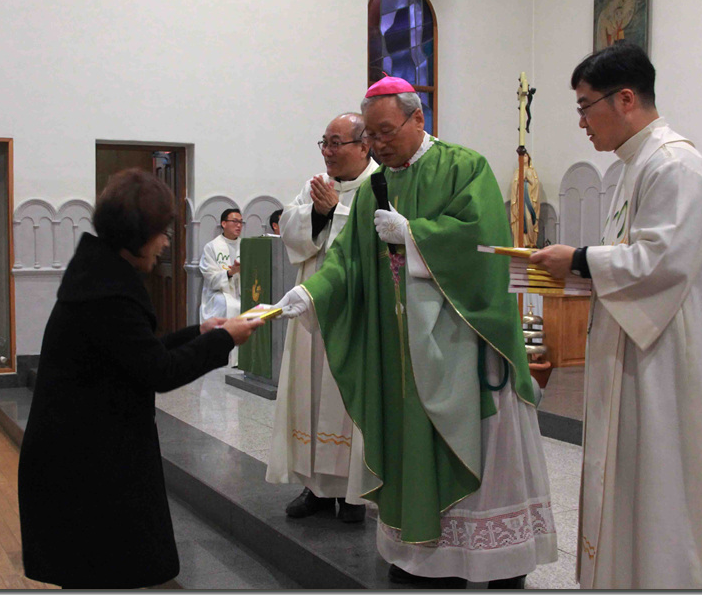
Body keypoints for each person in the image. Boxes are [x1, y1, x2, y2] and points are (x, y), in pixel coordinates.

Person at [275, 77, 556, 588]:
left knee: (484, 455)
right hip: (402, 348)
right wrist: (312, 293)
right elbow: (348, 261)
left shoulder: (463, 167)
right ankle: (428, 559)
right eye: (371, 135)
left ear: (418, 118)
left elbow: (483, 242)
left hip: (464, 344)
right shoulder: (375, 189)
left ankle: (500, 562)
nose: (378, 145)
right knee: (412, 446)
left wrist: (414, 236)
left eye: (385, 132)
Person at [529, 42, 702, 589]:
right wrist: (579, 267)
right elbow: (632, 258)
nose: (581, 122)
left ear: (625, 98)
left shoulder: (673, 164)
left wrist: (579, 260)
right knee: (633, 483)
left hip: (666, 365)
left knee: (663, 489)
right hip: (635, 352)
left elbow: (660, 262)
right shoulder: (636, 164)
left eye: (585, 106)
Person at [18, 170, 263, 589]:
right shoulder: (109, 292)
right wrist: (225, 338)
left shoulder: (100, 274)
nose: (165, 243)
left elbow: (136, 353)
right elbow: (158, 371)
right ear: (135, 236)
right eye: (160, 233)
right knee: (99, 574)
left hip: (83, 452)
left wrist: (200, 333)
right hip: (85, 466)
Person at [266, 112, 377, 524]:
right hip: (312, 303)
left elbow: (376, 240)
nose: (327, 152)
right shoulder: (317, 184)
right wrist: (317, 213)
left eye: (336, 143)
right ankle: (314, 488)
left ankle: (352, 495)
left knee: (345, 399)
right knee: (309, 392)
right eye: (324, 143)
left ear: (364, 146)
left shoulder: (380, 184)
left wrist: (335, 213)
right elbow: (290, 227)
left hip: (355, 309)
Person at [200, 208, 244, 364]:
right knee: (229, 304)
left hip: (241, 291)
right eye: (235, 221)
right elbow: (211, 278)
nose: (239, 225)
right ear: (224, 224)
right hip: (218, 293)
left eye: (241, 222)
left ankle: (244, 359)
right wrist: (230, 273)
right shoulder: (211, 247)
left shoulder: (246, 245)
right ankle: (227, 357)